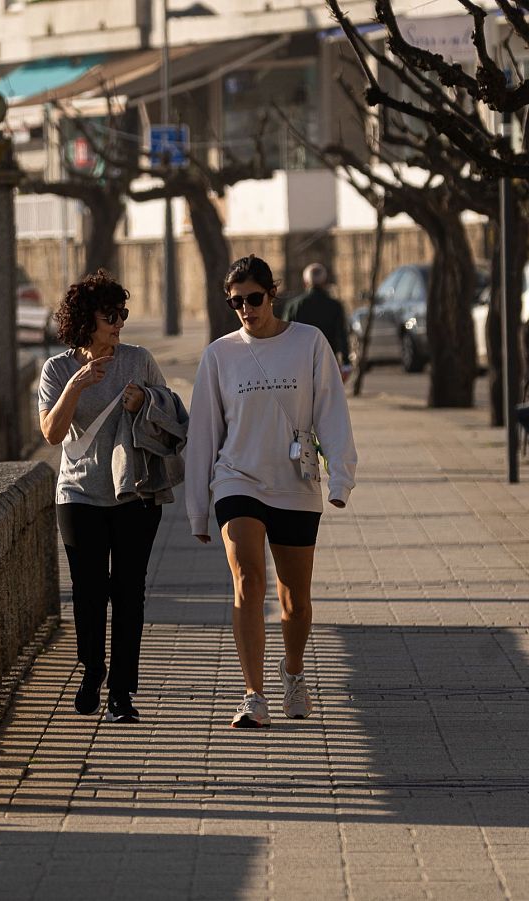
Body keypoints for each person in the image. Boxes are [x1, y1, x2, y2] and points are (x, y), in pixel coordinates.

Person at [185, 255, 358, 728]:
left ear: (272, 294)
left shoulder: (309, 343)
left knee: (295, 598)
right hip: (237, 478)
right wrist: (198, 510)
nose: (246, 309)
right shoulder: (219, 354)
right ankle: (252, 695)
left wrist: (340, 477)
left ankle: (295, 674)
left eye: (254, 299)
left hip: (295, 484)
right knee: (248, 581)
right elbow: (204, 432)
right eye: (236, 302)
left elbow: (331, 413)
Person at [38, 271, 173, 725]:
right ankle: (92, 670)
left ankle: (121, 692)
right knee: (89, 591)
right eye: (109, 316)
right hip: (77, 494)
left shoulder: (139, 360)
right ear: (85, 321)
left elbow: (170, 413)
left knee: (129, 592)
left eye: (122, 314)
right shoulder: (56, 369)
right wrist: (78, 385)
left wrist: (145, 401)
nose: (118, 323)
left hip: (134, 492)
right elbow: (52, 433)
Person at [280, 263, 351, 382]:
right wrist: (346, 363)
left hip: (299, 363)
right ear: (324, 282)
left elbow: (284, 336)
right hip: (328, 361)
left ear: (305, 282)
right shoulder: (335, 306)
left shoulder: (294, 306)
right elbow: (342, 335)